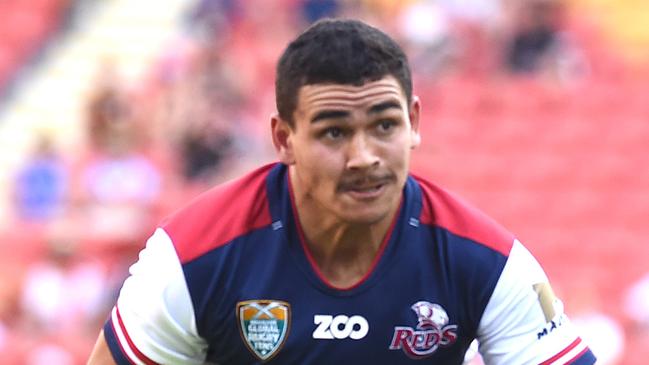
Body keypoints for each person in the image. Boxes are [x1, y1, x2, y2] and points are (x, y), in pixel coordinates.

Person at [87, 18, 596, 365]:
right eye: (334, 132)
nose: (364, 156)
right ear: (284, 138)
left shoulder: (487, 261)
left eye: (384, 125)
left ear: (414, 122)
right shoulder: (192, 255)